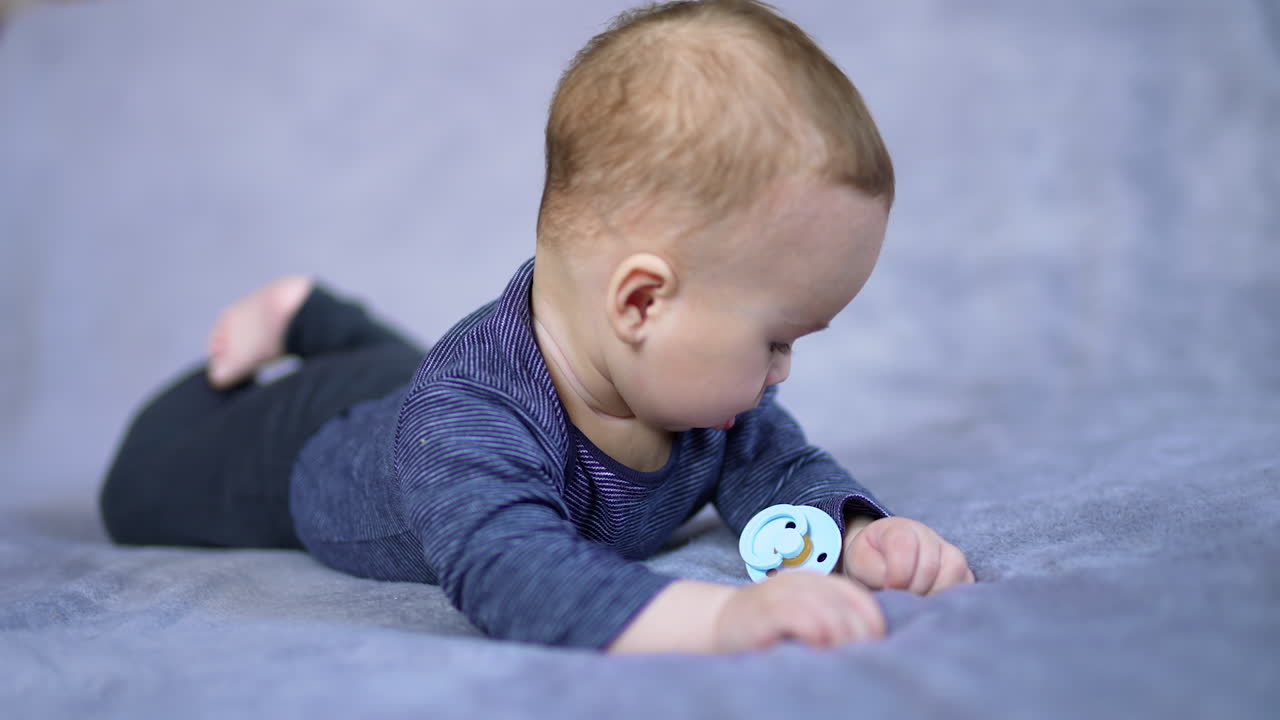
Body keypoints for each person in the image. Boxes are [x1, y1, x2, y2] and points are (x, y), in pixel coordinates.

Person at [99, 0, 975, 654]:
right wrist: (723, 618)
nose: (782, 374)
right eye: (777, 340)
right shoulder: (466, 422)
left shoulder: (705, 398)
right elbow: (510, 571)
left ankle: (311, 315)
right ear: (639, 304)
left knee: (397, 378)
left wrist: (861, 535)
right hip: (289, 451)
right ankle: (302, 315)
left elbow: (778, 471)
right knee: (136, 493)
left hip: (404, 396)